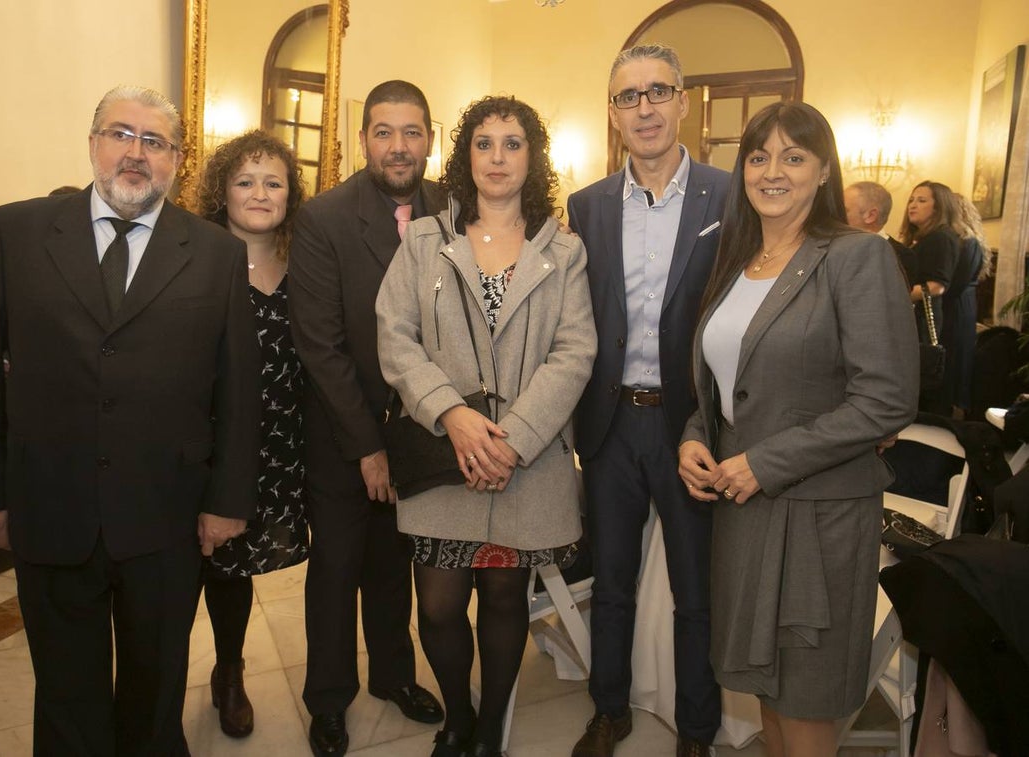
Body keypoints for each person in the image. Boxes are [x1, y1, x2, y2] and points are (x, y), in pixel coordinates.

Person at [0, 85, 261, 756]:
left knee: (156, 688)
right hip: (49, 505)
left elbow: (238, 387)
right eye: (121, 133)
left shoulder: (215, 254)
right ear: (93, 143)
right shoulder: (15, 231)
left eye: (154, 141)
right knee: (66, 692)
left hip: (166, 514)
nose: (135, 152)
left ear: (176, 160)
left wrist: (228, 499)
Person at [677, 101, 918, 757]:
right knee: (767, 692)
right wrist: (696, 436)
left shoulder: (855, 256)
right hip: (742, 512)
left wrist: (766, 461)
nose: (772, 171)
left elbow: (887, 398)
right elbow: (721, 379)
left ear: (823, 169)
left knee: (806, 702)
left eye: (793, 156)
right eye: (759, 157)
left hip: (818, 517)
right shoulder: (738, 261)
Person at [376, 95, 596, 757]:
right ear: (464, 154)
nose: (497, 157)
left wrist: (515, 438)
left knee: (504, 599)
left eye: (512, 143)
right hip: (445, 458)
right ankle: (458, 717)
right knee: (439, 607)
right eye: (484, 143)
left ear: (533, 158)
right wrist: (454, 414)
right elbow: (395, 336)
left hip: (524, 466)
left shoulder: (564, 250)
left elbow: (575, 351)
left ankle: (491, 727)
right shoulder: (422, 240)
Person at [567, 44, 729, 757]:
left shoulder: (729, 196)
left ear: (683, 100)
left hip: (691, 424)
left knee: (698, 590)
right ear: (612, 113)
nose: (644, 108)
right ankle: (610, 707)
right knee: (612, 583)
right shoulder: (588, 205)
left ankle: (697, 727)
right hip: (609, 427)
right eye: (628, 97)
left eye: (657, 91)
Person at [287, 80, 444, 757]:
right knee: (337, 569)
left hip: (424, 430)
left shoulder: (456, 207)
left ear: (430, 140)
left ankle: (393, 676)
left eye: (412, 132)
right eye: (384, 131)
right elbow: (319, 345)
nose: (399, 146)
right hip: (342, 431)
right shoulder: (323, 217)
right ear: (363, 140)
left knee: (396, 562)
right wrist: (366, 445)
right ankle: (328, 699)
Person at [194, 130, 310, 738]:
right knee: (205, 565)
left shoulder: (307, 260)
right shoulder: (194, 257)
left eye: (273, 182)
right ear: (222, 191)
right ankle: (207, 674)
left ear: (291, 194)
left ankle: (230, 669)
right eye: (245, 181)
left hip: (286, 443)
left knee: (238, 568)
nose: (259, 194)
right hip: (209, 446)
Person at [899, 181, 960, 412]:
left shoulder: (941, 237)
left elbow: (936, 286)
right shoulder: (924, 237)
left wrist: (895, 296)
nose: (913, 205)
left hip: (927, 320)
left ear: (939, 207)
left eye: (922, 200)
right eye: (912, 200)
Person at [944, 193, 990, 419]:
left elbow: (957, 282)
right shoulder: (958, 239)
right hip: (960, 301)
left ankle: (956, 410)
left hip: (959, 304)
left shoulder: (968, 241)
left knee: (958, 356)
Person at [843, 180, 916, 286]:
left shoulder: (902, 256)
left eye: (845, 211)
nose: (837, 216)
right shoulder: (835, 248)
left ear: (870, 216)